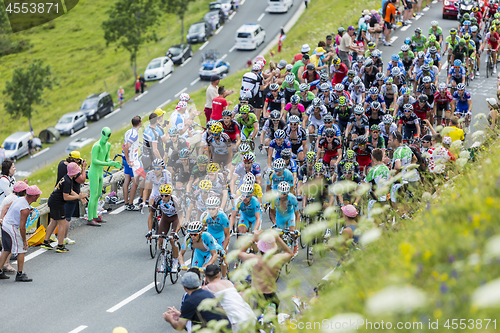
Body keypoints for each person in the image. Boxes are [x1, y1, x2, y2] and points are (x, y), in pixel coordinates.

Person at [238, 230, 293, 312]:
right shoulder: (277, 259)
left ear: (260, 247)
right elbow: (289, 253)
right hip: (270, 295)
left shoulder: (253, 259)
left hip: (256, 295)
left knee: (256, 319)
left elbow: (239, 253)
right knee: (272, 321)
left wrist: (252, 239)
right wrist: (278, 238)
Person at [42, 163, 88, 252]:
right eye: (77, 172)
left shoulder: (66, 178)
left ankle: (45, 242)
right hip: (58, 203)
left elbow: (70, 191)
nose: (78, 173)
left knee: (54, 221)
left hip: (53, 201)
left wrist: (80, 197)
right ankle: (60, 246)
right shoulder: (68, 181)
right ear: (74, 173)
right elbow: (66, 197)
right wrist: (78, 197)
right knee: (62, 223)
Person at [163, 272, 231, 331]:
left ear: (184, 287)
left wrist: (169, 319)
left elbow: (180, 327)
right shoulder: (207, 293)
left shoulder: (189, 300)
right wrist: (180, 315)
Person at [0, 185, 42, 281]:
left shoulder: (20, 199)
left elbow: (7, 207)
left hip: (5, 224)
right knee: (21, 249)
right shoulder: (25, 209)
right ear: (34, 196)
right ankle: (20, 274)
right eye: (38, 194)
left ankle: (0, 271)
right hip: (11, 227)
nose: (39, 196)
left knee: (6, 249)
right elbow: (22, 228)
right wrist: (24, 241)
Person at [203, 264, 257, 331]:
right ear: (219, 274)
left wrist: (204, 282)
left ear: (206, 276)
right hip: (249, 315)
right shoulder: (228, 283)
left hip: (236, 321)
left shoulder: (207, 288)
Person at [53, 151, 87, 244]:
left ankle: (52, 235)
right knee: (67, 218)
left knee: (55, 217)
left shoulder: (61, 164)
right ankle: (64, 238)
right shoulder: (73, 170)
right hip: (70, 195)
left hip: (57, 193)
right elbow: (82, 180)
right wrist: (83, 168)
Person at [0, 181, 28, 273]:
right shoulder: (16, 199)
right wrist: (2, 218)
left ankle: (2, 268)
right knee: (19, 248)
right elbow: (5, 208)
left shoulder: (13, 197)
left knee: (7, 248)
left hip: (5, 223)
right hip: (9, 224)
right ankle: (13, 269)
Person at [122, 116, 144, 211]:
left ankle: (126, 203)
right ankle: (130, 204)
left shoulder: (128, 131)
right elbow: (127, 146)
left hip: (126, 159)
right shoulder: (134, 134)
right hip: (132, 161)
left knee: (127, 179)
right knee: (136, 181)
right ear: (139, 123)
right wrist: (128, 160)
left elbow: (124, 146)